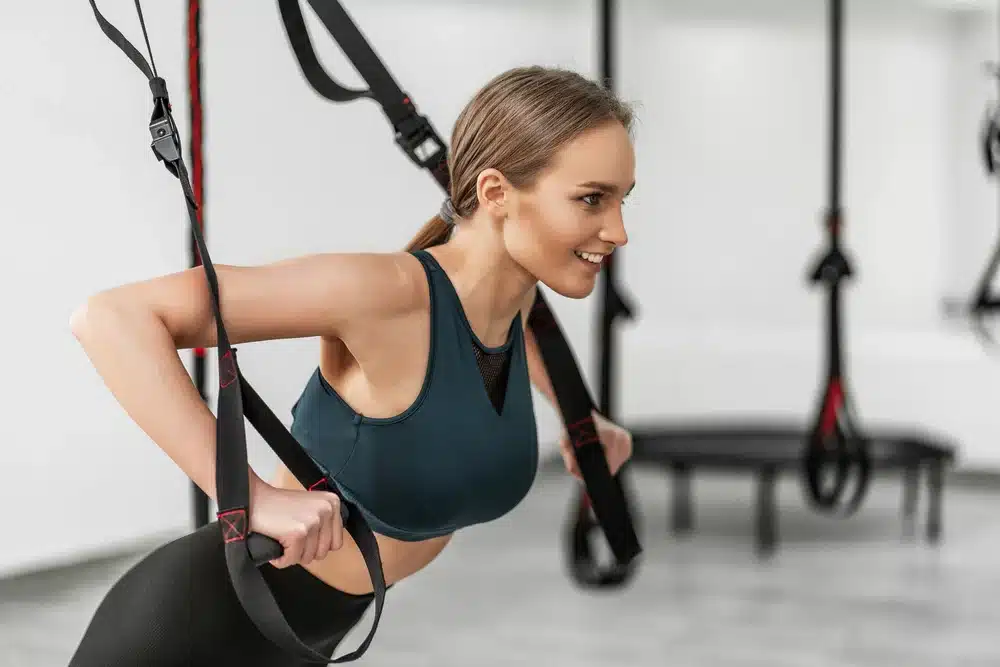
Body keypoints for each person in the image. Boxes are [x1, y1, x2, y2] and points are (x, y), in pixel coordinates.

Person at [66, 65, 638, 666]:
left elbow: (496, 358)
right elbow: (110, 318)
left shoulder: (511, 300)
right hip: (190, 633)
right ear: (495, 194)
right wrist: (248, 495)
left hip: (306, 637)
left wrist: (580, 421)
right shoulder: (385, 293)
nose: (619, 231)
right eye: (591, 199)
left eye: (623, 199)